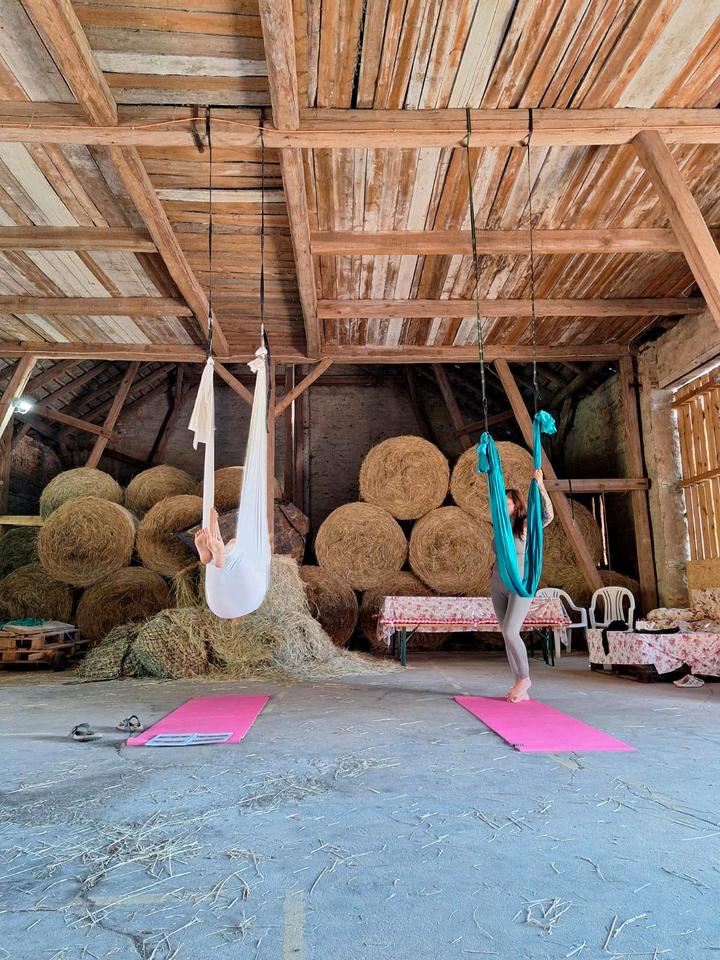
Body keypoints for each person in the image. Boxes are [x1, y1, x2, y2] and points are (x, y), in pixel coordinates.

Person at [490, 468, 554, 703]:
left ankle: (525, 678)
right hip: (498, 583)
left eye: (507, 503)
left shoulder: (525, 525)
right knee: (506, 635)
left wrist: (541, 485)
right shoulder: (500, 527)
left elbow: (547, 516)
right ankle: (519, 683)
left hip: (520, 585)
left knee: (511, 631)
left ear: (516, 505)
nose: (503, 506)